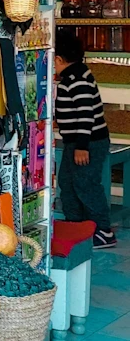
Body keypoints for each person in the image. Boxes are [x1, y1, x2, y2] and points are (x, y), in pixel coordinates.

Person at [55, 30, 116, 249]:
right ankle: (76, 226)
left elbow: (85, 114)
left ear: (58, 59)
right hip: (76, 143)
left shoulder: (77, 79)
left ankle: (102, 230)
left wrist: (82, 147)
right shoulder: (74, 75)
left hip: (88, 143)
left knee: (86, 184)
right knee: (68, 183)